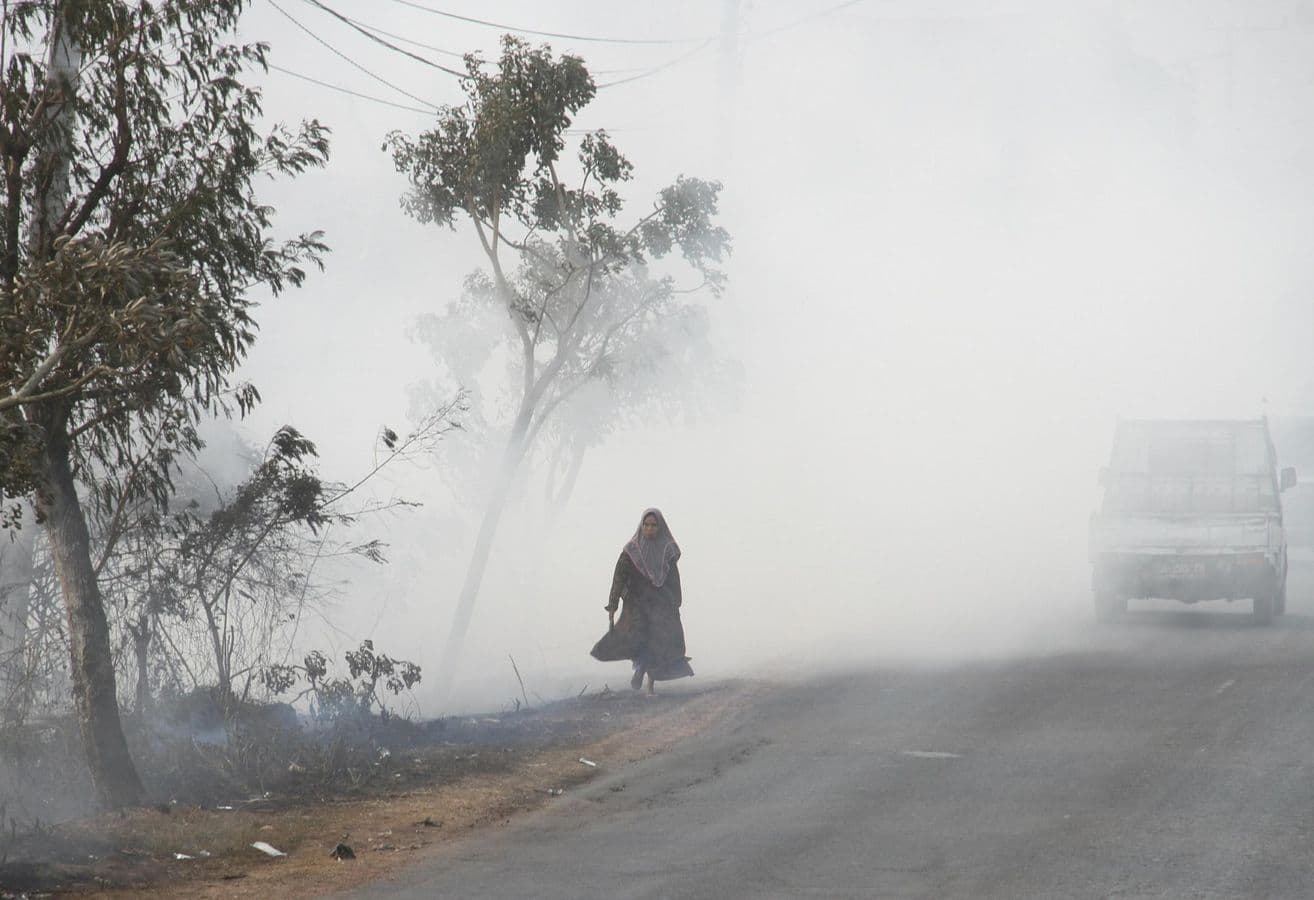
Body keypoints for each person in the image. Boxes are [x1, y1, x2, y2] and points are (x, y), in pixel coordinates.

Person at [590, 508, 694, 694]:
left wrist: (676, 601)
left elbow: (673, 578)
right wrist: (613, 604)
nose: (650, 529)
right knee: (640, 639)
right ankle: (640, 670)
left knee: (659, 642)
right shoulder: (632, 550)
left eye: (654, 525)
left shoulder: (667, 549)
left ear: (660, 527)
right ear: (641, 526)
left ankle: (650, 684)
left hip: (660, 605)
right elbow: (619, 577)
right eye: (646, 525)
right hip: (637, 604)